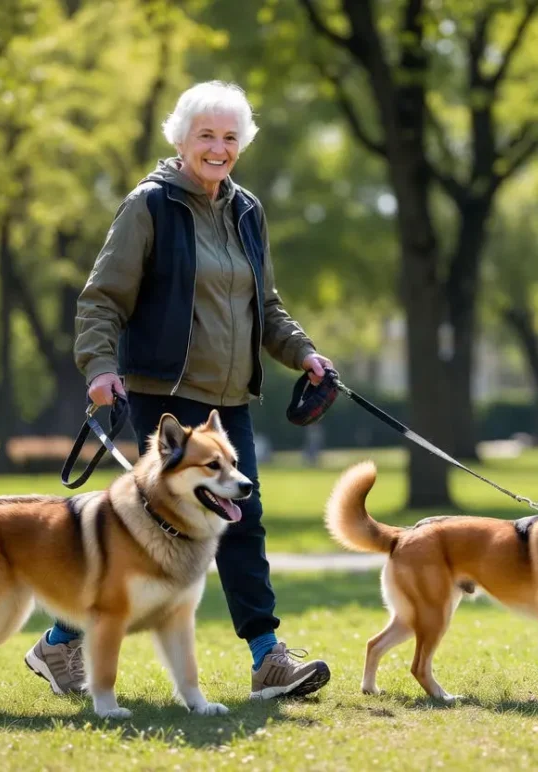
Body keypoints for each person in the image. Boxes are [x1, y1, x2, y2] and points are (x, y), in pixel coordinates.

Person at [25, 80, 335, 701]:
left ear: (241, 145)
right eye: (207, 136)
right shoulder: (150, 206)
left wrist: (301, 351)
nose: (219, 148)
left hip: (228, 404)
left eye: (230, 138)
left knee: (240, 520)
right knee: (147, 533)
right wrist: (98, 368)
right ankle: (62, 643)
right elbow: (102, 299)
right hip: (161, 399)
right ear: (181, 139)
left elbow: (266, 305)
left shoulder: (247, 211)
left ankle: (266, 657)